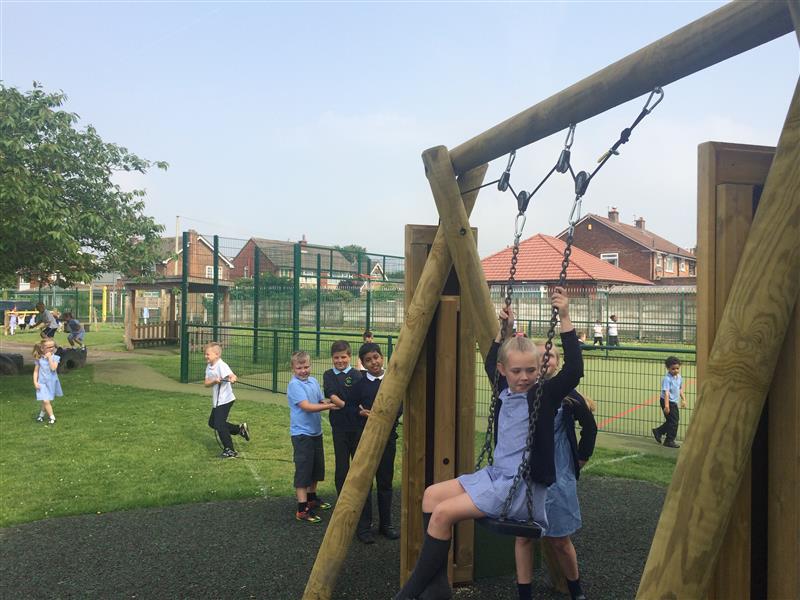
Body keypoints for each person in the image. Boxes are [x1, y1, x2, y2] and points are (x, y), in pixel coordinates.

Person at [396, 287, 582, 600]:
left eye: (531, 371)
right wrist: (503, 329)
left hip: (519, 489)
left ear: (540, 371)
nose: (524, 377)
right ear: (503, 372)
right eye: (517, 371)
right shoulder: (503, 391)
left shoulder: (543, 396)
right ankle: (438, 585)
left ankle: (409, 594)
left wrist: (564, 316)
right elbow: (492, 359)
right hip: (496, 476)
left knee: (443, 515)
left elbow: (574, 370)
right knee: (431, 496)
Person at [514, 344, 597, 600]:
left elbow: (590, 428)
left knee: (560, 538)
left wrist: (581, 457)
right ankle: (524, 593)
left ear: (558, 363)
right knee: (525, 537)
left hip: (559, 470)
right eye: (539, 357)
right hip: (529, 470)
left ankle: (575, 590)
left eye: (549, 355)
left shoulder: (570, 397)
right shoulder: (522, 393)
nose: (545, 360)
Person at [351, 341, 400, 544]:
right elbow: (351, 408)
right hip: (365, 441)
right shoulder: (359, 385)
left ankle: (386, 524)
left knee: (385, 483)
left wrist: (385, 417)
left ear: (382, 357)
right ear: (363, 363)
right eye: (369, 360)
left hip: (387, 439)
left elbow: (400, 406)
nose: (374, 362)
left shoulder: (392, 381)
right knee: (364, 484)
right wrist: (361, 412)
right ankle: (364, 527)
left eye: (376, 357)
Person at [322, 340, 371, 539]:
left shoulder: (357, 375)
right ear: (332, 358)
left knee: (359, 468)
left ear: (349, 357)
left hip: (357, 428)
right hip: (340, 428)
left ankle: (361, 512)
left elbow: (361, 399)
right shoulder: (328, 375)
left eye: (343, 357)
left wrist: (353, 407)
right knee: (342, 468)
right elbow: (332, 396)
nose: (340, 361)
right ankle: (342, 507)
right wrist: (350, 406)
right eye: (336, 357)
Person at [288, 350, 337, 523]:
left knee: (316, 469)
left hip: (316, 432)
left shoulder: (314, 381)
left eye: (306, 366)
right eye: (299, 367)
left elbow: (320, 401)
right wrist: (329, 407)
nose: (304, 370)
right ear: (293, 368)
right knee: (303, 472)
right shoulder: (294, 385)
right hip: (302, 434)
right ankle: (302, 509)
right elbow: (307, 406)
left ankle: (311, 498)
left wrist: (333, 401)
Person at [203, 341, 248, 459]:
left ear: (216, 355)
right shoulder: (209, 366)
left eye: (208, 354)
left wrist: (232, 378)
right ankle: (239, 429)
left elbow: (232, 375)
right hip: (217, 401)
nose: (206, 356)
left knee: (219, 424)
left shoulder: (221, 365)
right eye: (205, 354)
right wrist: (214, 381)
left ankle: (230, 450)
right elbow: (206, 383)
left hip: (225, 400)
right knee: (212, 423)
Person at [652, 356, 686, 449]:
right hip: (667, 401)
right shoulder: (667, 379)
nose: (675, 370)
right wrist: (666, 406)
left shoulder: (679, 377)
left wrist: (683, 399)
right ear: (668, 368)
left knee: (672, 421)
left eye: (677, 368)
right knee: (674, 422)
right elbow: (666, 393)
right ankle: (669, 440)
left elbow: (680, 389)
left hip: (673, 402)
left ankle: (658, 431)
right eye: (673, 369)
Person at [33, 339, 62, 425]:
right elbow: (35, 371)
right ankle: (52, 418)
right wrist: (35, 382)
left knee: (46, 401)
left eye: (52, 346)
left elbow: (53, 368)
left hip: (51, 382)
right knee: (46, 401)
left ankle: (41, 416)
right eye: (48, 347)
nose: (51, 348)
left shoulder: (55, 358)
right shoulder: (39, 359)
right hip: (42, 383)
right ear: (42, 348)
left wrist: (49, 358)